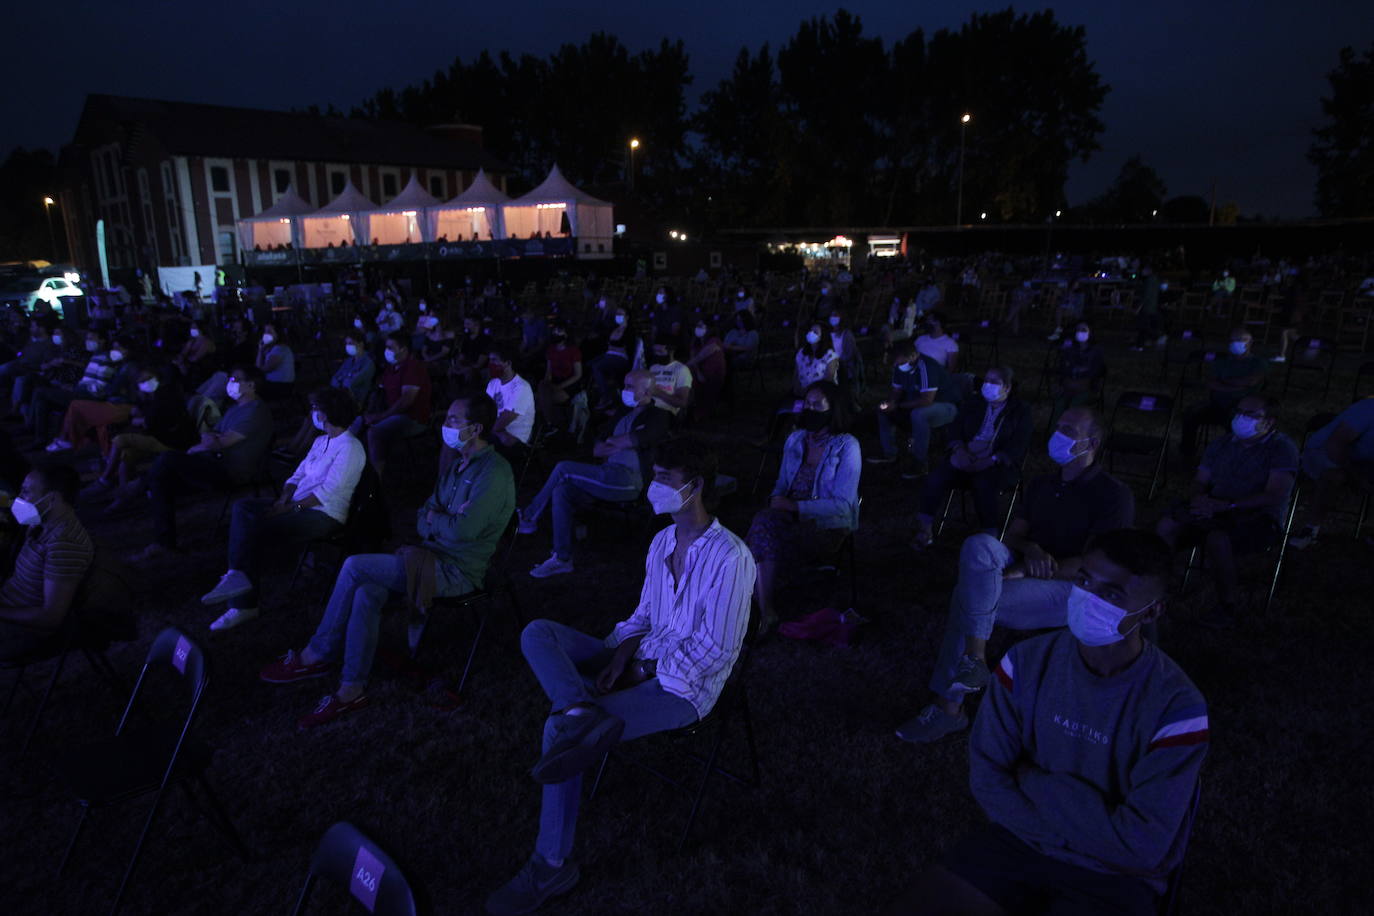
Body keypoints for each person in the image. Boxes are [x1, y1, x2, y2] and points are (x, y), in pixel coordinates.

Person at [486, 438, 755, 916]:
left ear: (693, 488)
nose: (653, 487)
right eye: (654, 477)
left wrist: (638, 669)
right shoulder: (660, 542)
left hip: (681, 688)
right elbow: (641, 617)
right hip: (636, 660)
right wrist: (619, 654)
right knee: (538, 632)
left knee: (559, 732)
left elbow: (716, 652)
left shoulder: (731, 558)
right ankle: (579, 708)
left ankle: (552, 865)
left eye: (664, 480)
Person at [890, 530, 1207, 916]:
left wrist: (1031, 780)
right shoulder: (1023, 664)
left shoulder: (1176, 708)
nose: (1088, 597)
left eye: (1111, 594)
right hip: (1018, 845)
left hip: (1114, 876)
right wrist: (1082, 819)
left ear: (1153, 611)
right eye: (1084, 580)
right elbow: (987, 778)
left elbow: (1142, 845)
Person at [258, 394, 514, 728]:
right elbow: (423, 516)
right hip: (428, 555)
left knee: (355, 566)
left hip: (457, 571)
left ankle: (316, 654)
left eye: (453, 420)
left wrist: (440, 520)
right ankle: (351, 689)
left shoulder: (494, 472)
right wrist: (441, 518)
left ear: (476, 428)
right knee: (366, 591)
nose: (445, 425)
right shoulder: (456, 465)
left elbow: (464, 532)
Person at [896, 407, 1135, 744]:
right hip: (1026, 564)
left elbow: (1098, 565)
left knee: (969, 597)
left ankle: (950, 707)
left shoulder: (1113, 495)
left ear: (1091, 442)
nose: (1058, 433)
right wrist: (1031, 550)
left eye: (1069, 430)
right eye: (1059, 426)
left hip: (1075, 587)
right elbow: (1012, 537)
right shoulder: (1041, 483)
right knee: (979, 544)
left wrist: (1027, 568)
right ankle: (976, 657)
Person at [201, 388, 367, 631]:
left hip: (322, 514)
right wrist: (284, 498)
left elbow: (327, 493)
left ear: (329, 413)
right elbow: (298, 473)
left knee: (254, 528)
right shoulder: (321, 441)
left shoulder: (351, 448)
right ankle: (237, 574)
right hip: (295, 503)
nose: (313, 414)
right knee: (244, 507)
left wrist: (291, 508)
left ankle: (243, 603)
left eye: (316, 409)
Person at [1157, 395, 1297, 627]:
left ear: (1269, 422)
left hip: (1259, 516)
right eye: (1239, 411)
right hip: (1215, 507)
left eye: (1251, 415)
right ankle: (1159, 588)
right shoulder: (1221, 444)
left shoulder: (1281, 449)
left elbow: (1275, 494)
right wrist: (1199, 500)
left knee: (1218, 539)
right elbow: (1200, 480)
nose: (1241, 418)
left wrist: (1228, 505)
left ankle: (1227, 604)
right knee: (1166, 525)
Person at [520, 370, 671, 578]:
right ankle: (562, 559)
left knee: (564, 468)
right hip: (607, 473)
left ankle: (528, 517)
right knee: (562, 490)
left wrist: (618, 442)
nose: (624, 390)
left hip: (629, 480)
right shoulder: (622, 412)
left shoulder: (658, 416)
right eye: (624, 385)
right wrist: (618, 443)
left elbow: (632, 440)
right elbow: (597, 448)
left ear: (646, 391)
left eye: (630, 387)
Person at [747, 380, 860, 632]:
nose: (809, 410)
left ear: (834, 408)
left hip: (826, 527)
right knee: (763, 523)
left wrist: (796, 508)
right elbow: (782, 482)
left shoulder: (846, 446)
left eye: (816, 405)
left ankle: (758, 607)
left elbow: (843, 506)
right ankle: (764, 609)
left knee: (761, 530)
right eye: (806, 404)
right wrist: (776, 501)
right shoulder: (796, 440)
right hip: (786, 516)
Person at [131, 366, 274, 561]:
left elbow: (218, 442)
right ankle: (163, 542)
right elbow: (211, 434)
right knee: (163, 478)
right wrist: (208, 442)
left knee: (167, 461)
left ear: (251, 385)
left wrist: (206, 443)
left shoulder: (256, 412)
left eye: (236, 379)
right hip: (214, 461)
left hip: (230, 470)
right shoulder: (236, 408)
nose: (230, 383)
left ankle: (138, 490)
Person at [912, 367, 1031, 547]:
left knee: (984, 484)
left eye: (994, 382)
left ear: (1006, 387)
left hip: (996, 462)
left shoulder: (1020, 411)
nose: (987, 385)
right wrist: (959, 449)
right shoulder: (974, 402)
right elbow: (955, 428)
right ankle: (925, 529)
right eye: (986, 380)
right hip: (965, 455)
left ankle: (989, 537)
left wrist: (991, 460)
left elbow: (1018, 444)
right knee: (936, 478)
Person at [0, 465, 95, 661]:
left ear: (52, 499)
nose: (19, 498)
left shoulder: (64, 543)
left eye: (26, 492)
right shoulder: (42, 524)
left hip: (23, 632)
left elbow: (50, 617)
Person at [88, 367, 196, 502]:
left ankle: (104, 480)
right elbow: (145, 417)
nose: (146, 384)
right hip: (159, 437)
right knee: (127, 455)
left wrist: (139, 420)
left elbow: (150, 422)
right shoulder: (151, 397)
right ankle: (124, 496)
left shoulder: (165, 394)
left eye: (149, 380)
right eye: (143, 381)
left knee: (119, 440)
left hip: (172, 441)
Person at [1290, 396, 1374, 549]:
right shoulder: (1369, 408)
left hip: (1362, 460)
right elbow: (1336, 444)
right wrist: (1356, 475)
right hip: (1324, 452)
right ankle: (1310, 529)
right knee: (1334, 476)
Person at [871, 338, 960, 475]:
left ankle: (920, 463)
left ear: (913, 356)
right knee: (883, 410)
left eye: (899, 361)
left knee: (918, 414)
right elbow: (896, 391)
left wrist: (898, 406)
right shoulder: (899, 366)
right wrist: (891, 403)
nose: (896, 364)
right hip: (918, 402)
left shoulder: (926, 367)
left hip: (946, 405)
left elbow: (927, 400)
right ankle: (889, 453)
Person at [43, 336, 141, 455]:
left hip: (121, 406)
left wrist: (98, 390)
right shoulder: (120, 364)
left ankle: (66, 440)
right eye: (114, 347)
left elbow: (114, 389)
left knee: (76, 405)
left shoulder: (130, 367)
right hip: (114, 403)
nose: (116, 351)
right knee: (77, 404)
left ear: (129, 350)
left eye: (120, 348)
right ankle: (85, 445)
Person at [1179, 328, 1266, 458]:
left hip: (1241, 408)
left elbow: (1251, 381)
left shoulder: (1257, 363)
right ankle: (1187, 454)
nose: (1236, 343)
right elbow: (1211, 382)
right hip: (1216, 404)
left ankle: (1230, 457)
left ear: (1250, 343)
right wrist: (1236, 386)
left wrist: (1224, 382)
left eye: (1241, 340)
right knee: (1191, 413)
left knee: (1234, 421)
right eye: (1233, 340)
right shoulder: (1221, 361)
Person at [362, 334, 432, 476]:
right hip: (392, 414)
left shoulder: (413, 367)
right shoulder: (391, 368)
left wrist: (380, 417)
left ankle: (377, 477)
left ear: (403, 350)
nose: (386, 351)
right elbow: (380, 392)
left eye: (390, 347)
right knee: (357, 422)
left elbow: (406, 401)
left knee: (374, 432)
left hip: (412, 418)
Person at [485, 341, 537, 458]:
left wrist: (482, 428)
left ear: (507, 363)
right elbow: (485, 410)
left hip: (515, 437)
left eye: (494, 360)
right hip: (497, 432)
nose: (490, 364)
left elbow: (504, 420)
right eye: (490, 360)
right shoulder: (493, 383)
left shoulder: (521, 388)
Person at [1050, 321, 1107, 421]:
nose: (1080, 332)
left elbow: (1096, 371)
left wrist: (1081, 373)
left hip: (1086, 387)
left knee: (1074, 406)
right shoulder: (1070, 348)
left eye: (1083, 330)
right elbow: (1063, 368)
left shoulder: (1096, 351)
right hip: (1067, 385)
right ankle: (1056, 434)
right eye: (1078, 330)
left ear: (1090, 332)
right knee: (1059, 405)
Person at [534, 322, 583, 431]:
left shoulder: (573, 350)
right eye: (555, 331)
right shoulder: (551, 349)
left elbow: (578, 374)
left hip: (569, 383)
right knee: (542, 389)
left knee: (544, 400)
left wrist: (560, 386)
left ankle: (550, 424)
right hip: (554, 382)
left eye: (559, 331)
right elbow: (548, 371)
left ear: (566, 334)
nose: (556, 333)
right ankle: (549, 424)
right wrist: (548, 384)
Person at [589, 305, 638, 410]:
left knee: (597, 367)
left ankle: (606, 397)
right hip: (608, 355)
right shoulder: (614, 328)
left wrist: (615, 347)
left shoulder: (629, 331)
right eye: (617, 314)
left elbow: (626, 348)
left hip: (620, 358)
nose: (618, 316)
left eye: (620, 314)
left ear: (627, 316)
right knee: (588, 364)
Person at [0, 318, 58, 400]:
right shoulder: (32, 339)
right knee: (4, 368)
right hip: (20, 363)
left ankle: (15, 410)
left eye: (32, 327)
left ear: (41, 329)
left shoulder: (49, 344)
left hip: (30, 368)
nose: (30, 329)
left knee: (14, 376)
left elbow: (44, 365)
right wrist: (19, 354)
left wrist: (28, 364)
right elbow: (22, 352)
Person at [685, 319, 727, 420]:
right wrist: (698, 372)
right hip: (700, 371)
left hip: (713, 371)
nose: (698, 329)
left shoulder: (714, 341)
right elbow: (693, 359)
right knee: (689, 375)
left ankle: (701, 411)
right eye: (697, 326)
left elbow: (700, 357)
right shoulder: (696, 342)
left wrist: (681, 366)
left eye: (701, 326)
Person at [647, 336, 693, 416]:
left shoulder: (681, 369)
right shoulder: (653, 367)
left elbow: (682, 402)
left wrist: (658, 393)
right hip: (648, 407)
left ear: (671, 351)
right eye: (655, 351)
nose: (656, 354)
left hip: (666, 412)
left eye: (660, 351)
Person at [255, 322, 295, 401]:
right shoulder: (271, 349)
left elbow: (262, 370)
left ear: (278, 334)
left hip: (281, 387)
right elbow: (258, 368)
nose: (266, 334)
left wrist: (261, 350)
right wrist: (261, 350)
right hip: (274, 385)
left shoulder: (280, 349)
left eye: (269, 332)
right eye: (265, 331)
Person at [452, 315, 494, 391]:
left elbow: (479, 364)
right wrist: (457, 365)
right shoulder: (466, 338)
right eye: (465, 324)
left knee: (468, 374)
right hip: (467, 365)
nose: (465, 326)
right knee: (451, 371)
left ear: (476, 324)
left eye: (468, 324)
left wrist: (465, 369)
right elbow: (462, 356)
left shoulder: (485, 340)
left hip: (480, 369)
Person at [1131, 265, 1166, 350]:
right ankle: (1154, 339)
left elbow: (1146, 296)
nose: (1142, 272)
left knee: (1143, 326)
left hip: (1147, 307)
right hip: (1152, 306)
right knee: (1148, 326)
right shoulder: (1155, 279)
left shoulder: (1149, 280)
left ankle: (1140, 345)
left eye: (1143, 270)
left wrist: (1139, 307)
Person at [173, 320, 216, 387]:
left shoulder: (206, 342)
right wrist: (180, 359)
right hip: (189, 365)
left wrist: (182, 362)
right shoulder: (191, 341)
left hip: (201, 368)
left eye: (194, 328)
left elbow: (196, 358)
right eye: (191, 328)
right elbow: (183, 353)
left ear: (201, 329)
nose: (192, 330)